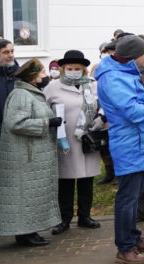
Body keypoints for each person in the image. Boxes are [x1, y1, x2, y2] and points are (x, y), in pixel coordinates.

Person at [95, 35, 144, 264]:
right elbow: (134, 112)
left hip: (138, 142)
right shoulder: (113, 79)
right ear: (132, 56)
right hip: (129, 143)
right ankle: (125, 247)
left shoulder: (125, 73)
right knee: (128, 198)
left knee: (135, 194)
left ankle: (134, 237)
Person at [0, 59, 62, 247]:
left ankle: (30, 231)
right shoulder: (22, 95)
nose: (45, 76)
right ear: (32, 77)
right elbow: (15, 123)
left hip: (33, 155)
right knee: (25, 196)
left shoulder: (30, 93)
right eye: (41, 73)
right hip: (26, 156)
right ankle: (25, 233)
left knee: (32, 196)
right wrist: (47, 123)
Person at [44, 50, 103, 234]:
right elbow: (44, 108)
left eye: (77, 69)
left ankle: (85, 216)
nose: (73, 71)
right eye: (70, 68)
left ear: (84, 69)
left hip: (87, 138)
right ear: (62, 69)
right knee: (66, 181)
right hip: (65, 140)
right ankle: (64, 218)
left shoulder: (92, 85)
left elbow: (102, 104)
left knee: (87, 178)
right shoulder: (53, 87)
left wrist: (101, 118)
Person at [0, 38, 18, 223]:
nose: (11, 55)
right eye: (6, 52)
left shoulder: (18, 73)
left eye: (12, 51)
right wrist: (0, 132)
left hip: (17, 136)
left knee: (13, 180)